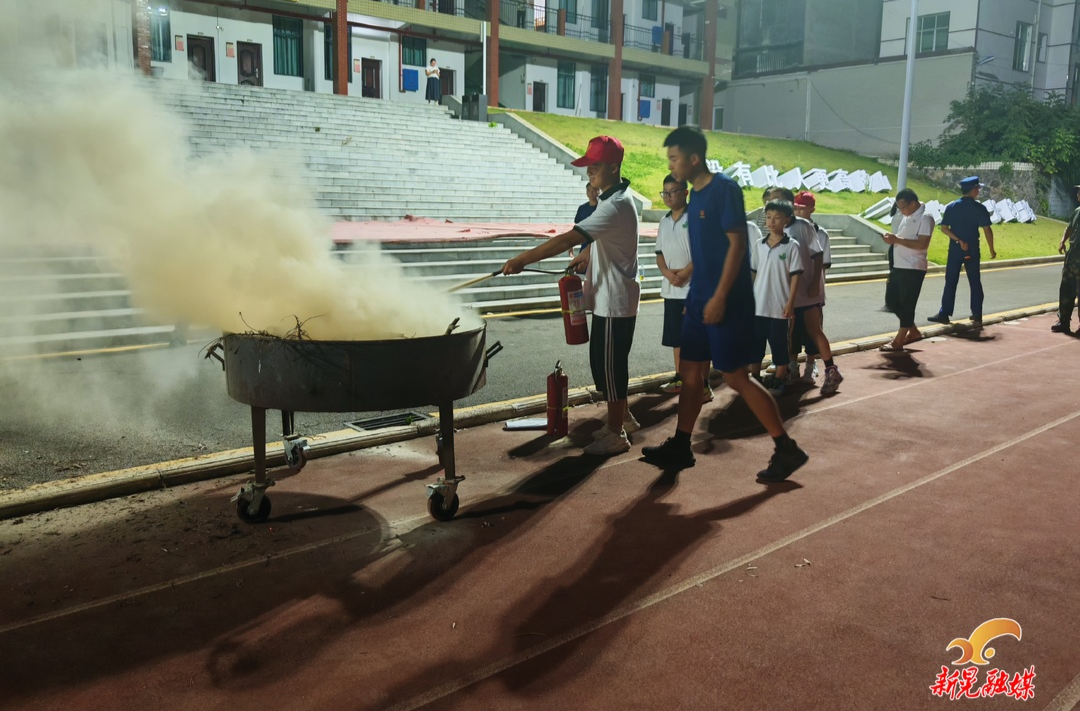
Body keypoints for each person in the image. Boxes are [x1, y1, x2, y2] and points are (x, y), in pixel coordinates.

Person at [642, 126, 808, 482]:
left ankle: (786, 447)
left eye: (674, 158)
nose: (671, 164)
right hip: (700, 297)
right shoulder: (696, 198)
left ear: (693, 158)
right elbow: (705, 253)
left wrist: (718, 297)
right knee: (690, 373)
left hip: (727, 301)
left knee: (735, 376)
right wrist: (697, 296)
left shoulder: (724, 190)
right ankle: (681, 445)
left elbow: (737, 246)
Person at [501, 136, 640, 456]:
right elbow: (603, 240)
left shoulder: (614, 204)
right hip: (611, 296)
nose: (588, 172)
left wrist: (523, 258)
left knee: (611, 368)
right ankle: (625, 418)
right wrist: (589, 255)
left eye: (595, 166)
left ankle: (616, 432)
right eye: (587, 166)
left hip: (614, 301)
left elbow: (569, 237)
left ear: (613, 167)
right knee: (606, 364)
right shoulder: (614, 199)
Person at [766, 186, 843, 395]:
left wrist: (813, 283)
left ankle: (831, 370)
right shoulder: (775, 228)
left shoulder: (802, 226)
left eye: (777, 201)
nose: (772, 205)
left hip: (807, 290)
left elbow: (817, 255)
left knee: (813, 329)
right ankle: (786, 372)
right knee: (786, 333)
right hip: (787, 291)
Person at [654, 174, 708, 399]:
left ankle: (703, 385)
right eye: (665, 192)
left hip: (694, 289)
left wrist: (686, 273)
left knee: (698, 339)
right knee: (677, 338)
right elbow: (659, 254)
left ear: (685, 193)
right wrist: (667, 273)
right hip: (672, 289)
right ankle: (680, 377)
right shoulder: (664, 221)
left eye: (673, 191)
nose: (668, 196)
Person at [749, 199, 804, 395]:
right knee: (755, 342)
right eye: (769, 217)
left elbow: (796, 276)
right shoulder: (759, 245)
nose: (771, 221)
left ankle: (779, 378)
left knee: (779, 344)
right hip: (758, 304)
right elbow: (754, 272)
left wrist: (790, 302)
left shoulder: (791, 246)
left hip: (780, 306)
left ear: (786, 221)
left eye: (777, 218)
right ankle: (755, 376)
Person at [928, 176, 996, 328]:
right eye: (978, 188)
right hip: (972, 248)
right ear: (973, 190)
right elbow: (987, 231)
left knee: (951, 281)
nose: (979, 191)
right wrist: (992, 249)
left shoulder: (952, 206)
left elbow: (944, 228)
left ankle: (944, 313)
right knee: (975, 282)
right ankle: (977, 316)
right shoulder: (980, 208)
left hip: (955, 248)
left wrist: (958, 240)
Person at [880, 188, 933, 351]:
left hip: (913, 267)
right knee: (892, 301)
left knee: (907, 303)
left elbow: (922, 244)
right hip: (898, 265)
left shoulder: (925, 218)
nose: (902, 211)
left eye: (904, 207)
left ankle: (898, 341)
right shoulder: (907, 217)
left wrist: (897, 239)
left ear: (913, 203)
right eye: (899, 208)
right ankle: (914, 331)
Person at [791, 190, 831, 384]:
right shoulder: (789, 228)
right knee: (792, 331)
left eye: (802, 209)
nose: (798, 212)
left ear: (812, 209)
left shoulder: (819, 233)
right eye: (795, 208)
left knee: (813, 330)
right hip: (793, 293)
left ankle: (811, 362)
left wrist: (816, 287)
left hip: (812, 292)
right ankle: (791, 365)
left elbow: (822, 264)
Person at [1051, 184, 1080, 334]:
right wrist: (1063, 240)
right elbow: (1069, 227)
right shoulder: (1077, 211)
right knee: (1066, 289)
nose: (1078, 194)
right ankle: (1063, 320)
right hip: (1072, 256)